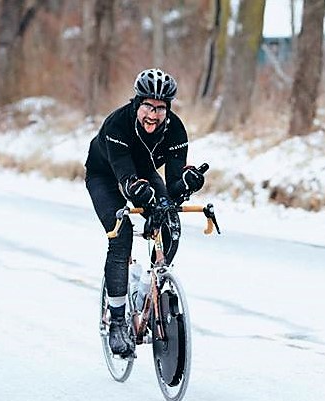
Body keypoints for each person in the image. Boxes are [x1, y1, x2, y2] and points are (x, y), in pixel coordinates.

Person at [85, 68, 205, 357]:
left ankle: (146, 286)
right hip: (106, 176)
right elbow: (127, 181)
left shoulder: (175, 129)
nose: (153, 114)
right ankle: (116, 323)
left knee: (170, 222)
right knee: (121, 235)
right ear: (137, 103)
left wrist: (187, 183)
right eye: (148, 106)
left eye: (160, 108)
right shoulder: (117, 125)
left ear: (168, 109)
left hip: (144, 173)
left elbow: (173, 185)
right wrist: (145, 196)